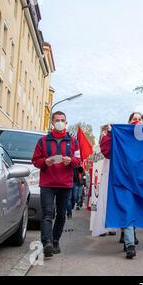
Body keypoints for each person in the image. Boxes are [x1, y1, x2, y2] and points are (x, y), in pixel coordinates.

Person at [32, 111, 81, 258]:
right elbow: (35, 160)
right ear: (52, 123)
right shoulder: (43, 141)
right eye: (57, 120)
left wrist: (70, 161)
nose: (60, 122)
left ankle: (55, 241)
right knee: (47, 213)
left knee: (61, 215)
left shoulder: (73, 141)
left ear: (66, 123)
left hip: (65, 184)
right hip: (47, 183)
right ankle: (46, 242)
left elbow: (79, 160)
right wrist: (44, 162)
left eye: (62, 120)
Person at [99, 112, 143, 259]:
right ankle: (130, 244)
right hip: (123, 179)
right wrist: (108, 135)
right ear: (128, 122)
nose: (136, 122)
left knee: (135, 209)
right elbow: (107, 153)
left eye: (139, 119)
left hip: (142, 181)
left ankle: (127, 234)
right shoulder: (120, 137)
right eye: (133, 119)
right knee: (127, 209)